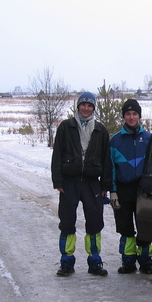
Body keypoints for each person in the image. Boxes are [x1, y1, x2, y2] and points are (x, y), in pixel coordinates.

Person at [51, 92, 112, 277]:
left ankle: (95, 262)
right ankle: (66, 263)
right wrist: (58, 181)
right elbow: (57, 156)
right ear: (78, 106)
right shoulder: (65, 127)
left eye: (89, 105)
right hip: (69, 183)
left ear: (94, 108)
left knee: (94, 223)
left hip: (92, 183)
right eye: (83, 105)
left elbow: (107, 160)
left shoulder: (101, 131)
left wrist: (104, 186)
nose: (86, 108)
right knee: (67, 222)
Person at [109, 98, 152, 274]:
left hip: (143, 189)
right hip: (123, 190)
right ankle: (128, 262)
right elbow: (110, 167)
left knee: (145, 226)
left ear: (139, 116)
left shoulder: (148, 138)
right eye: (128, 114)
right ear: (124, 116)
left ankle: (146, 261)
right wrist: (113, 191)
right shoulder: (115, 141)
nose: (131, 117)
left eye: (134, 114)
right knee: (126, 229)